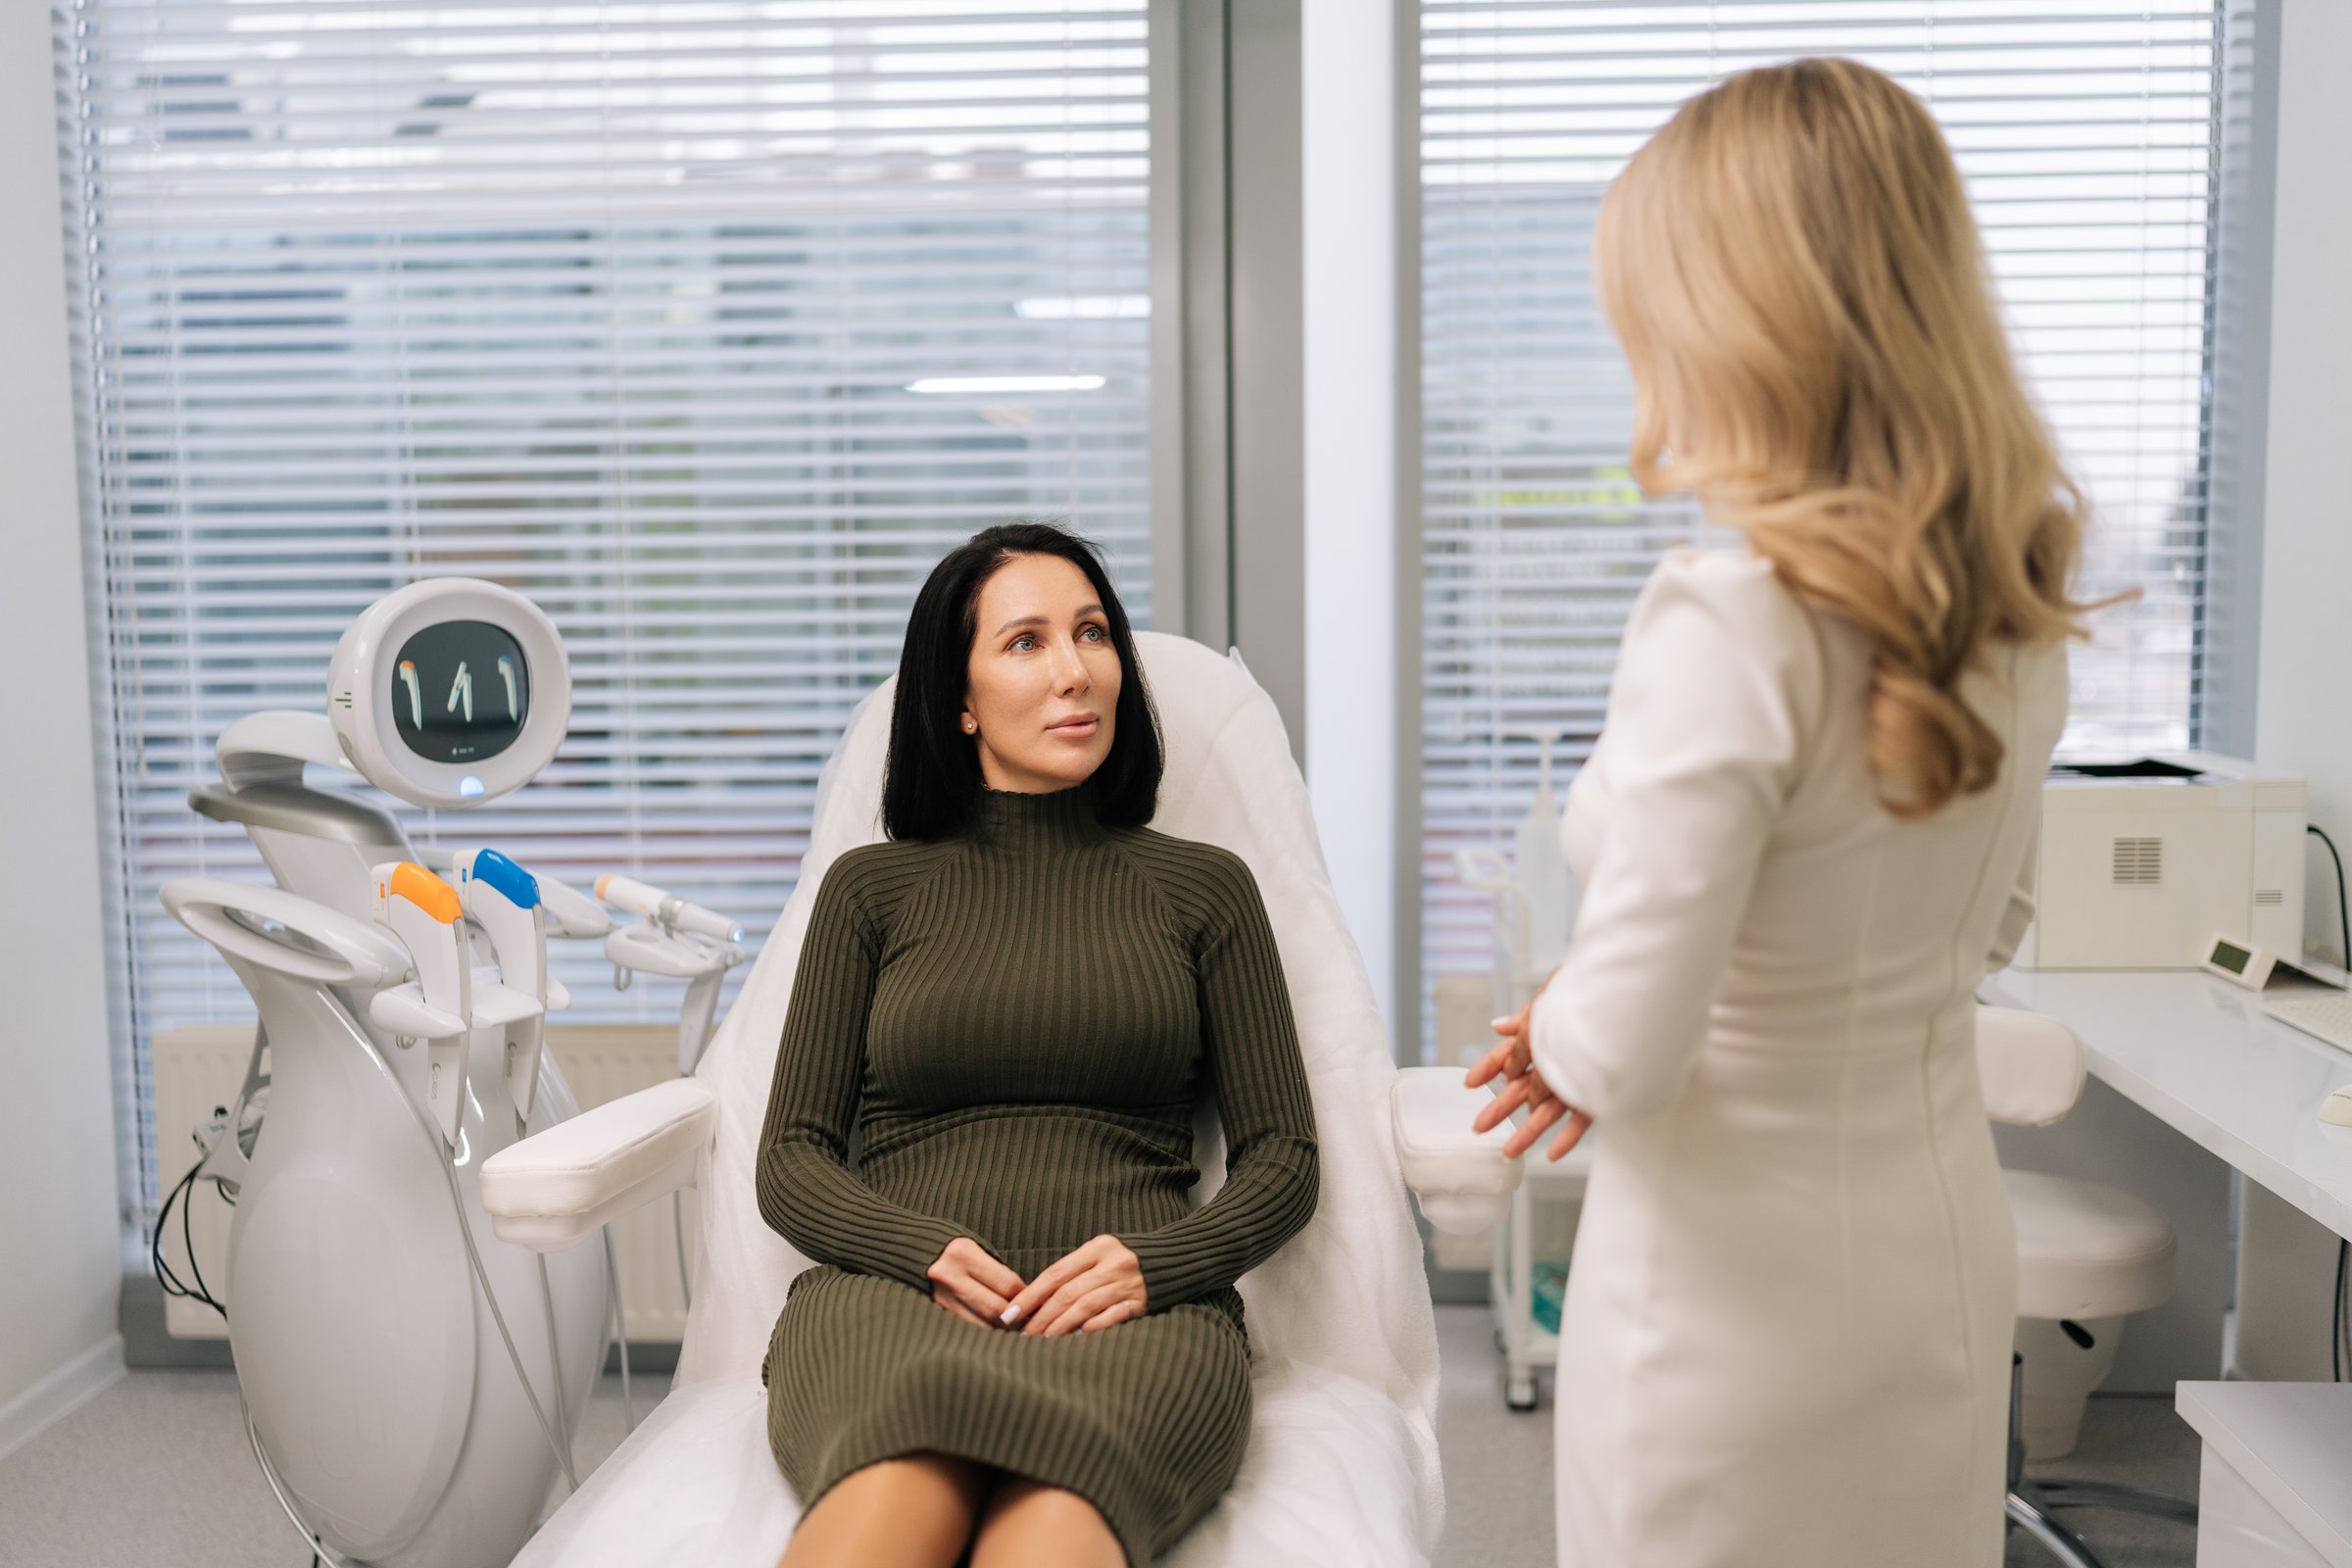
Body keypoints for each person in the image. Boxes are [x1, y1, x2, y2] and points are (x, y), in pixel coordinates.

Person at [1464, 58, 2091, 1568]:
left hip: (1724, 1313)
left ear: (1738, 318)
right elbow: (1990, 923)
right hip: (1933, 1268)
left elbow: (1623, 1044)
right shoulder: (2010, 600)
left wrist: (1556, 1018)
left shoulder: (1736, 609)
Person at [756, 521, 1320, 1568]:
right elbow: (790, 1156)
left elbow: (1284, 1158)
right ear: (958, 699)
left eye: (1093, 632)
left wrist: (1162, 1265)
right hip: (895, 1302)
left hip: (1130, 1314)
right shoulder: (871, 891)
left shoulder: (1203, 889)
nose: (1076, 670)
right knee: (882, 1507)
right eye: (1026, 642)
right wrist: (912, 1248)